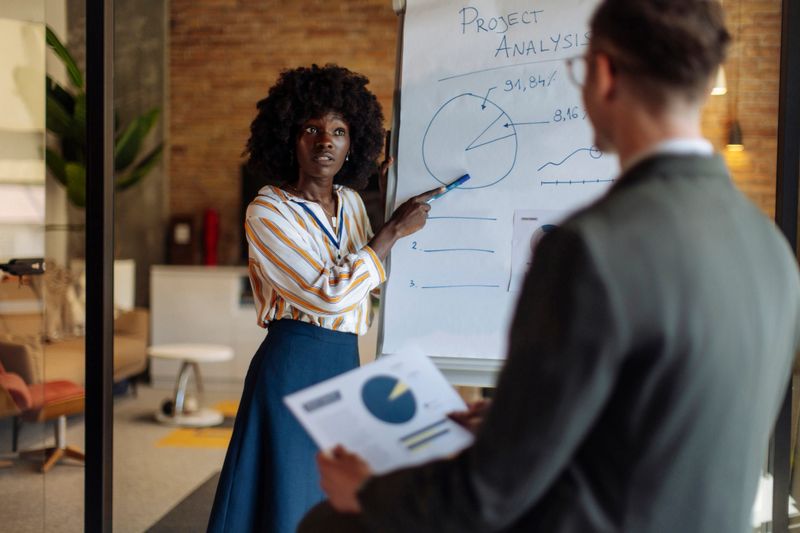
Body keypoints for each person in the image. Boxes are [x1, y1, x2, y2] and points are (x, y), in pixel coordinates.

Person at [300, 1, 800, 532]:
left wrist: (369, 491)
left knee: (328, 523)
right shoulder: (770, 251)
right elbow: (666, 425)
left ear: (603, 75)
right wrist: (519, 419)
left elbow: (487, 495)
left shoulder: (592, 249)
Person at [207, 64, 441, 533]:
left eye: (339, 130)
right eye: (311, 129)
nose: (325, 141)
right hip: (292, 363)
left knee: (330, 496)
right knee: (286, 495)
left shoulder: (352, 204)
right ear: (288, 138)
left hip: (343, 361)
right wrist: (391, 231)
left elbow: (365, 284)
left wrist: (384, 206)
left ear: (353, 141)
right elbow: (331, 295)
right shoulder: (267, 208)